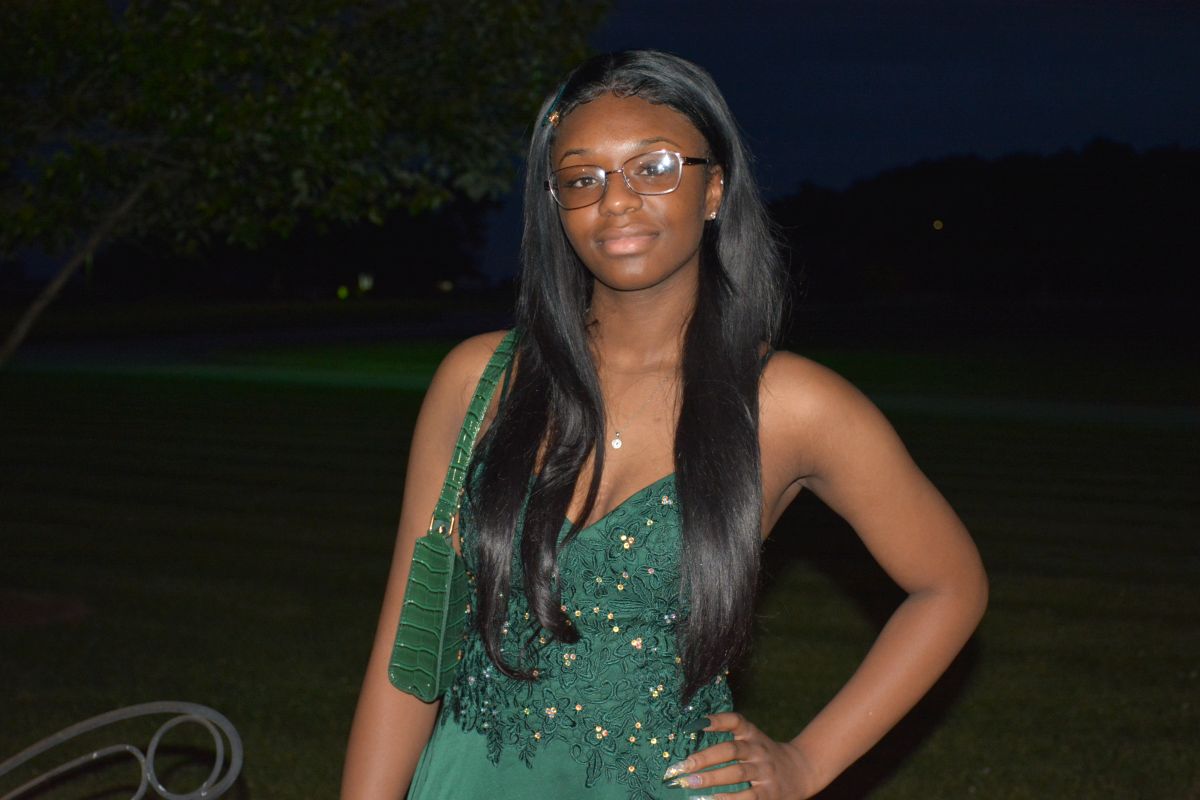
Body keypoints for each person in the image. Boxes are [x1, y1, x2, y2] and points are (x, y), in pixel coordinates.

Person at [342, 50, 987, 800]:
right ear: (556, 204)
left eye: (653, 168)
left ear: (714, 188)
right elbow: (410, 646)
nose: (616, 200)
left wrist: (808, 762)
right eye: (582, 178)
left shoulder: (791, 404)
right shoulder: (480, 381)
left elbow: (949, 585)